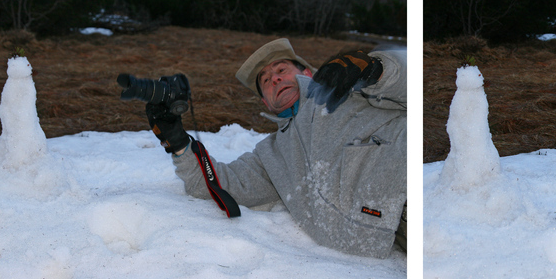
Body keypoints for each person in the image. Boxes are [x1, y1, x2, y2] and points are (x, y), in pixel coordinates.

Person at [146, 39, 407, 258]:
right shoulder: (269, 155)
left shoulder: (351, 90)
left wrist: (376, 70)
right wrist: (177, 143)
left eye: (281, 69)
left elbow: (407, 84)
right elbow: (217, 183)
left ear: (307, 73)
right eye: (266, 80)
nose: (275, 78)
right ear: (265, 102)